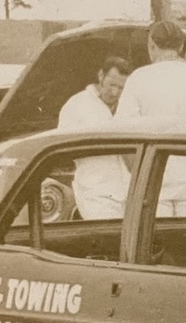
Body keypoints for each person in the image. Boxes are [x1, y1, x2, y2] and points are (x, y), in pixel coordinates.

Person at [115, 20, 186, 217]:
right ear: (182, 45)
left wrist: (140, 174)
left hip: (153, 182)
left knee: (154, 245)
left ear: (151, 46)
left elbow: (123, 133)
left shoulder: (138, 79)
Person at [57, 56, 133, 219]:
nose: (115, 92)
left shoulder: (128, 106)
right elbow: (62, 149)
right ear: (100, 76)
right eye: (112, 85)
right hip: (95, 193)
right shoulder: (76, 105)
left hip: (129, 193)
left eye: (121, 88)